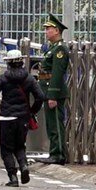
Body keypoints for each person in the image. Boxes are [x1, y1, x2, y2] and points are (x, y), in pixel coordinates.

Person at [0, 49, 44, 187]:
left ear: (8, 63)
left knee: (6, 149)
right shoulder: (29, 78)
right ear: (22, 62)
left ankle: (13, 177)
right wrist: (31, 111)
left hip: (6, 118)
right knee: (19, 146)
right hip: (23, 118)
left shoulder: (3, 79)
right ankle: (23, 166)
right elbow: (40, 97)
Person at [36, 13, 70, 165]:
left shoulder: (60, 49)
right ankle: (54, 152)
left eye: (49, 28)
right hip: (47, 90)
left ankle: (59, 154)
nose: (46, 31)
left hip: (53, 92)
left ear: (57, 31)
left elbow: (57, 74)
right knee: (51, 124)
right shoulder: (52, 48)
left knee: (56, 123)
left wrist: (52, 96)